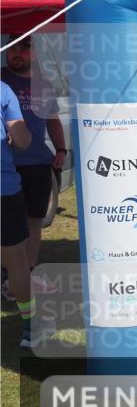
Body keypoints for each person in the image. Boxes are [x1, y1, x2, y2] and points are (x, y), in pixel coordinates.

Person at [1, 38, 67, 274]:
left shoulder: (44, 85)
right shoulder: (1, 80)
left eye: (22, 47)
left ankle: (28, 271)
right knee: (7, 225)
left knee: (34, 221)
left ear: (35, 53)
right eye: (12, 48)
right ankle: (7, 275)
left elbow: (53, 120)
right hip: (7, 166)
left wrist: (61, 149)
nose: (16, 53)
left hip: (38, 163)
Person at [1, 80, 42, 348]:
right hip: (4, 189)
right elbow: (24, 140)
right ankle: (30, 329)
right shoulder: (3, 90)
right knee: (17, 262)